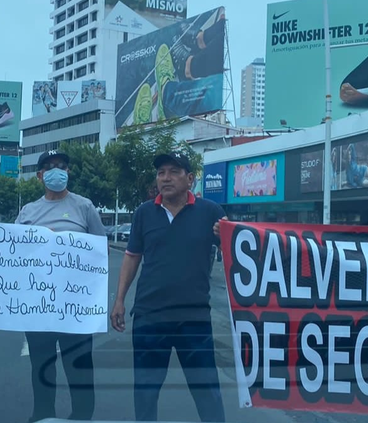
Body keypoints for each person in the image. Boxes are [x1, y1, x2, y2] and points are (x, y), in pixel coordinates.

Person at [110, 151, 227, 422]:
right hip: (150, 317)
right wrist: (119, 300)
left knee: (207, 390)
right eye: (161, 172)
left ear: (190, 179)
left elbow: (236, 255)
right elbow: (132, 257)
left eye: (174, 172)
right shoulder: (144, 212)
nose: (166, 178)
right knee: (146, 392)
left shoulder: (211, 211)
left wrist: (226, 237)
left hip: (194, 318)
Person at [15, 149, 106, 423]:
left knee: (79, 365)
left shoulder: (84, 207)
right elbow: (14, 253)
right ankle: (42, 414)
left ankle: (81, 416)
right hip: (38, 306)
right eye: (51, 167)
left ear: (68, 172)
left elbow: (100, 251)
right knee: (41, 365)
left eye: (62, 166)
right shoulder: (28, 211)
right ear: (40, 175)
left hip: (74, 304)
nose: (58, 170)